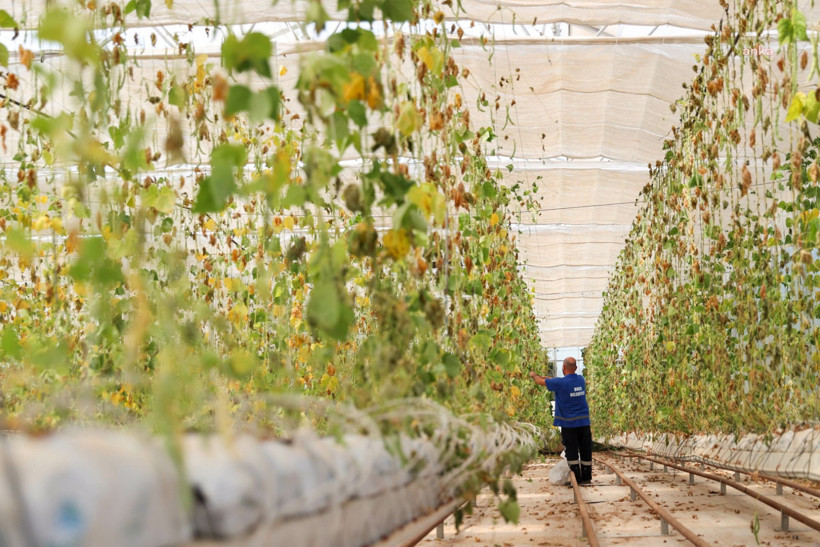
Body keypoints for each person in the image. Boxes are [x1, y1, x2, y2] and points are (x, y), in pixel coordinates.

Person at [530, 357, 592, 485]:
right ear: (576, 368)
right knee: (585, 450)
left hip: (569, 424)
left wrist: (533, 375)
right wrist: (547, 378)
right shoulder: (581, 380)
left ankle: (576, 479)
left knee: (572, 452)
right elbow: (554, 380)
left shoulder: (560, 383)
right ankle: (587, 478)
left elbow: (540, 382)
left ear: (563, 368)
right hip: (584, 422)